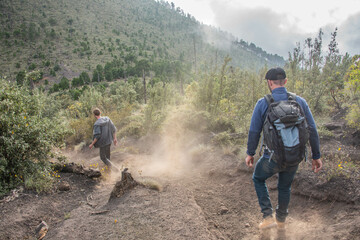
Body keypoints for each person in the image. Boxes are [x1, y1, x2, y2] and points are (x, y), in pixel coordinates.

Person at [245, 67, 323, 230]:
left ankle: (267, 217)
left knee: (258, 178)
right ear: (285, 82)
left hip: (271, 158)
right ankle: (281, 220)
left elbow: (254, 131)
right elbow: (312, 129)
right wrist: (316, 156)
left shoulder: (263, 103)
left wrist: (250, 153)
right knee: (284, 186)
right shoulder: (299, 101)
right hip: (295, 156)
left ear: (269, 83)